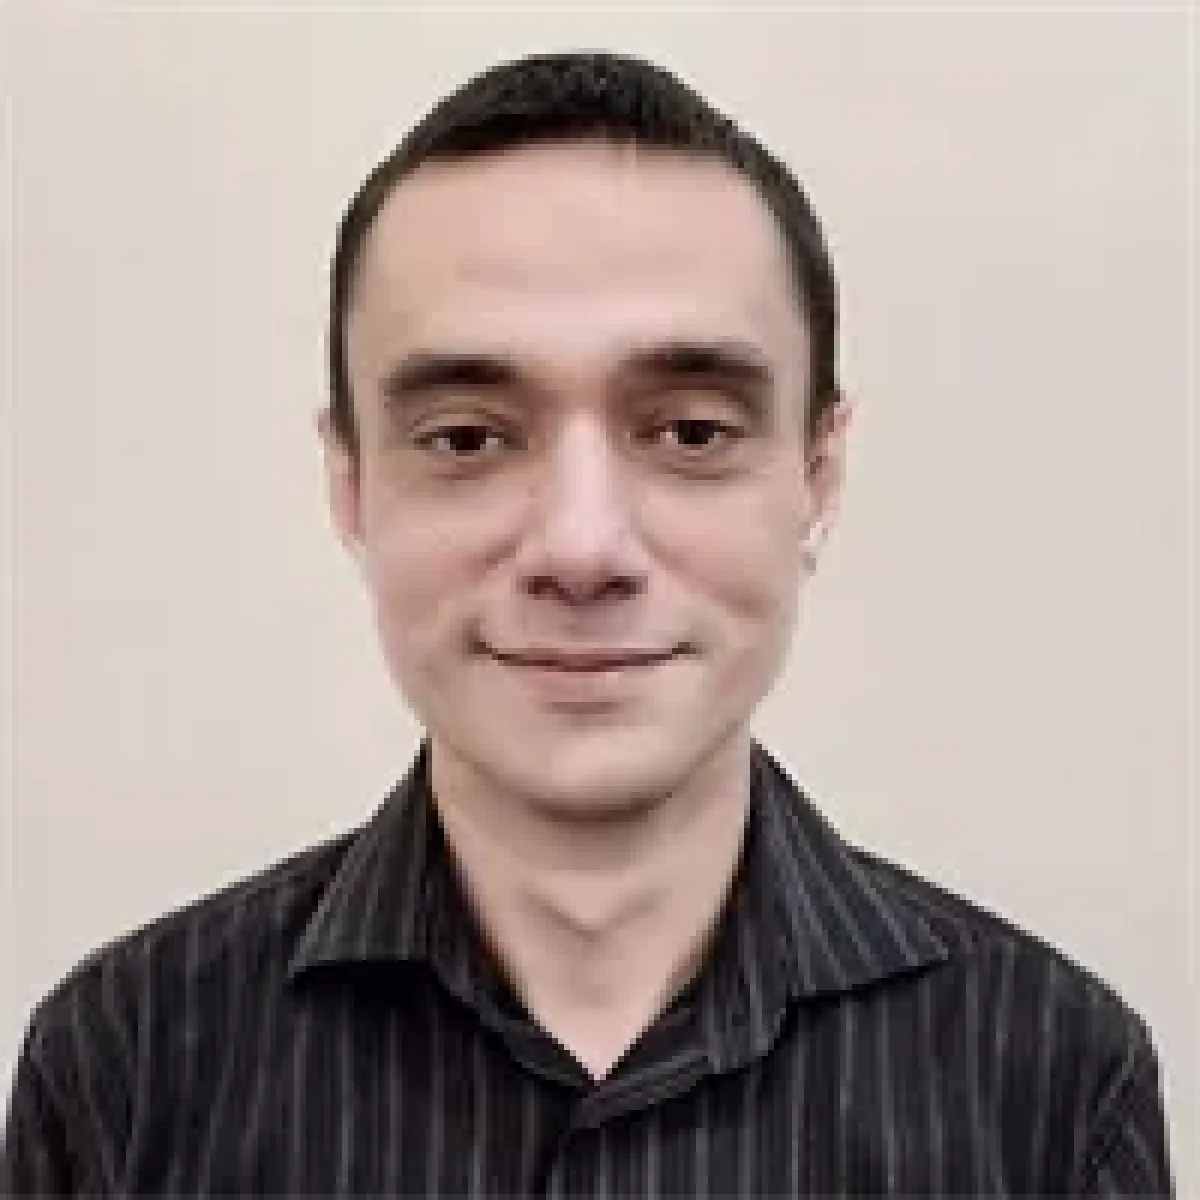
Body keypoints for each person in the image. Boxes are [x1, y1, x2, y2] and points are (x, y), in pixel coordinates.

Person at [2, 51, 1175, 1199]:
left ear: (817, 478)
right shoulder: (126, 1070)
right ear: (351, 488)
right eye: (467, 438)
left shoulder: (1052, 1086)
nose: (581, 548)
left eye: (692, 432)